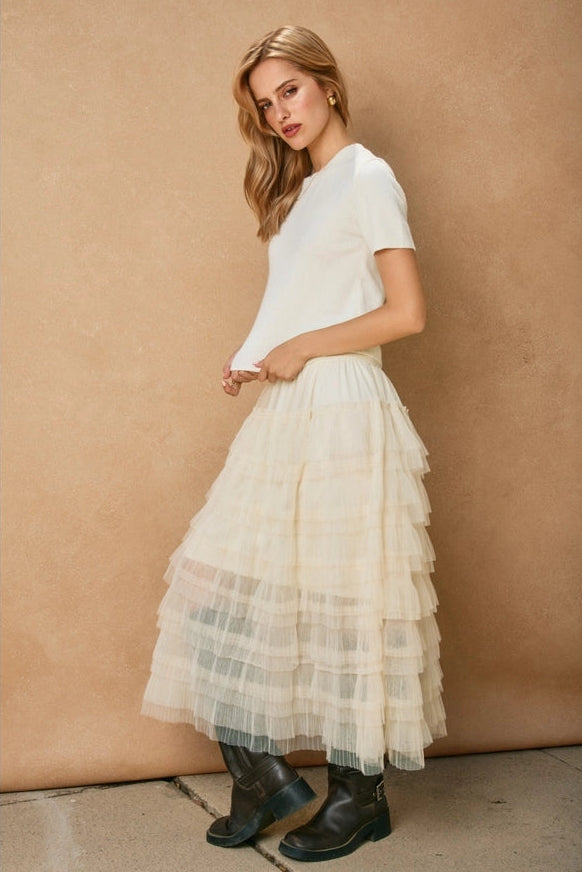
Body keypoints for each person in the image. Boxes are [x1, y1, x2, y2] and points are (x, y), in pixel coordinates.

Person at [142, 24, 446, 863]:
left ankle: (360, 799)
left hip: (344, 407)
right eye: (265, 102)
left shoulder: (367, 176)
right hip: (289, 412)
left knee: (347, 606)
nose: (280, 112)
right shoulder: (299, 193)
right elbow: (299, 301)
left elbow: (406, 312)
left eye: (290, 91)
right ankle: (261, 778)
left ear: (329, 85)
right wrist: (251, 355)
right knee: (217, 594)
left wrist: (304, 348)